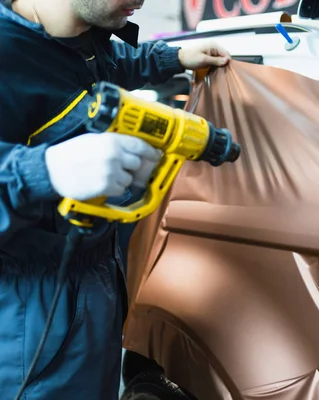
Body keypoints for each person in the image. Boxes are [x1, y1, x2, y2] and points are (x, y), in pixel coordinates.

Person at [0, 0, 230, 398]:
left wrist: (173, 57)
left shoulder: (84, 36)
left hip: (96, 290)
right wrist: (48, 169)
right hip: (29, 319)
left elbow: (115, 63)